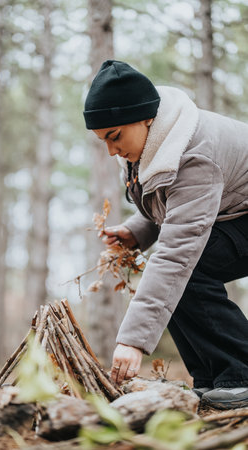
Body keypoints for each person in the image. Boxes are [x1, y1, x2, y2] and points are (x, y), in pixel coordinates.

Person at [83, 59, 248, 409]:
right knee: (175, 275)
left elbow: (177, 251)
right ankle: (215, 379)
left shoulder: (194, 153)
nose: (111, 150)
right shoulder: (155, 141)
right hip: (236, 213)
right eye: (102, 140)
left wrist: (133, 341)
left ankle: (241, 374)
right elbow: (175, 203)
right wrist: (137, 229)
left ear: (146, 117)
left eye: (114, 136)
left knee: (185, 268)